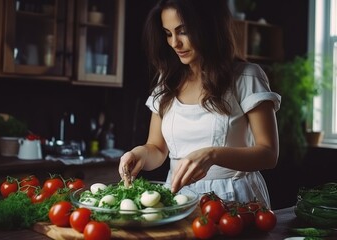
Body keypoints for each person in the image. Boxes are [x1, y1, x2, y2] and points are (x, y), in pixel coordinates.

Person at [119, 0, 281, 208]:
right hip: (177, 200)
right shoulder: (166, 80)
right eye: (168, 33)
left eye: (183, 31)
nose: (175, 43)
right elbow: (157, 148)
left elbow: (268, 154)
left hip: (236, 200)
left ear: (208, 26)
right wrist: (138, 154)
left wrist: (212, 155)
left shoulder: (246, 77)